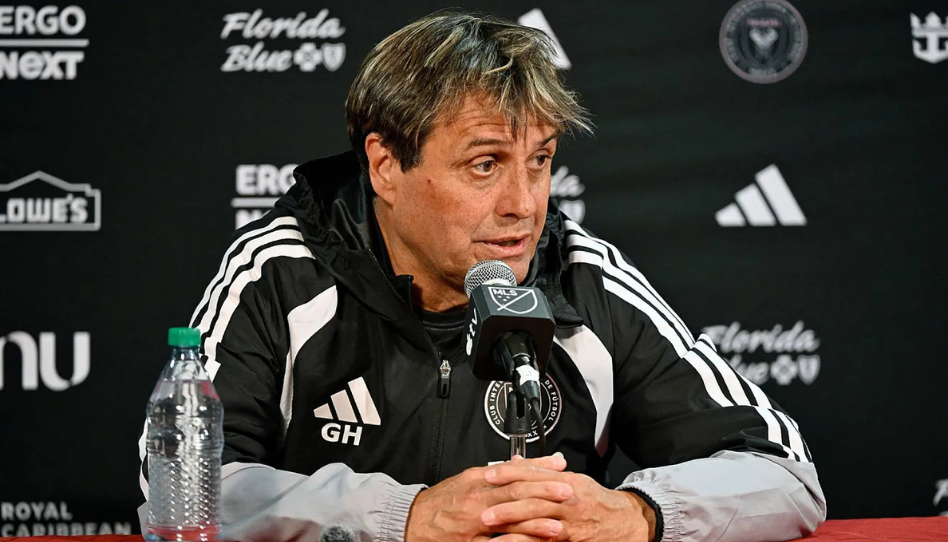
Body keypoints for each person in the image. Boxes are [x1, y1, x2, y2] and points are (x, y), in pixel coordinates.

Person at [138, 10, 826, 542]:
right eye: (485, 165)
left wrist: (639, 514)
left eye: (540, 161)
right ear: (385, 165)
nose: (523, 204)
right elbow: (179, 488)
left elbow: (783, 472)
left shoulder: (581, 276)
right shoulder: (282, 270)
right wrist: (403, 517)